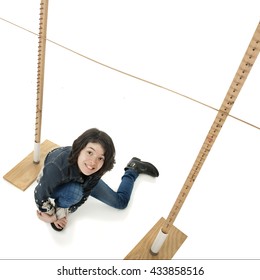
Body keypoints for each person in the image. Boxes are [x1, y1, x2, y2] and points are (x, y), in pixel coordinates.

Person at [35, 128, 159, 231]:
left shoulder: (95, 168)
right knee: (74, 192)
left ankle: (133, 168)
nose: (93, 162)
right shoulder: (56, 168)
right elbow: (40, 195)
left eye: (100, 158)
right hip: (58, 174)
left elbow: (84, 195)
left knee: (121, 203)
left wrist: (70, 208)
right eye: (89, 152)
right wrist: (54, 216)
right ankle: (60, 205)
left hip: (82, 178)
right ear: (79, 149)